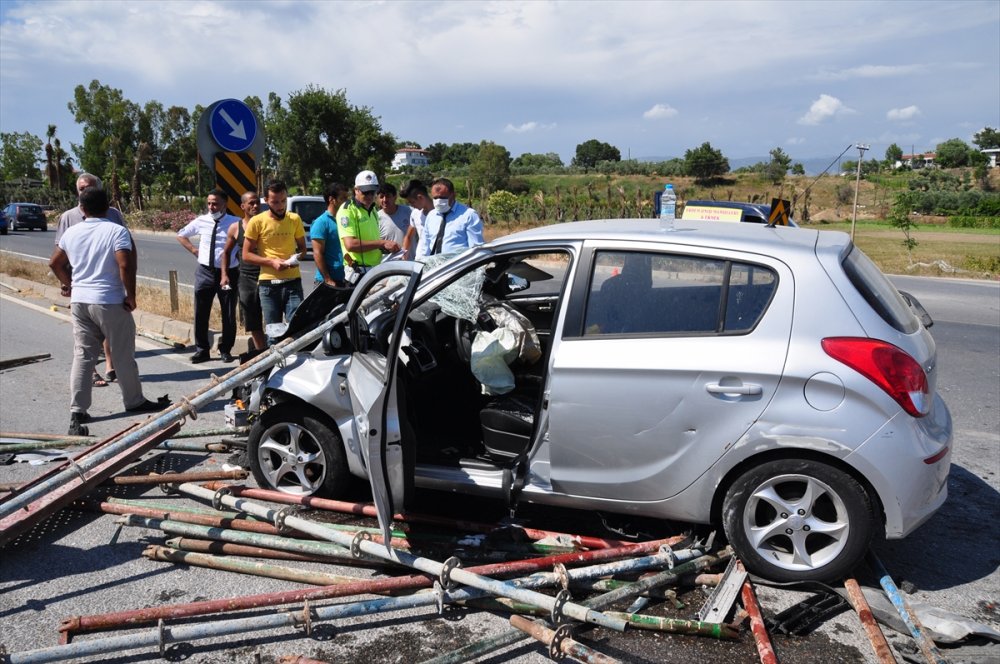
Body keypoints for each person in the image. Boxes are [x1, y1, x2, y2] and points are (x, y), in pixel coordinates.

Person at [49, 187, 167, 435]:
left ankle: (77, 411)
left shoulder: (71, 232)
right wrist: (131, 295)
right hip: (109, 300)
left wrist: (70, 285)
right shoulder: (116, 230)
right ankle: (134, 400)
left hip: (80, 302)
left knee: (83, 355)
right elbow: (125, 264)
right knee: (122, 352)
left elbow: (55, 262)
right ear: (109, 206)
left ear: (82, 208)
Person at [52, 173, 130, 387]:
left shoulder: (113, 216)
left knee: (106, 334)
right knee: (85, 341)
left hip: (108, 286)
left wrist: (126, 288)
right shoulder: (68, 218)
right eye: (81, 188)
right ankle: (96, 375)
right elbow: (60, 257)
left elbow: (125, 255)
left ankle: (109, 366)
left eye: (89, 187)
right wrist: (67, 283)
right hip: (81, 287)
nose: (85, 191)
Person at [176, 189, 240, 363]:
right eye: (209, 203)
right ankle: (202, 350)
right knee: (201, 312)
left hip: (228, 273)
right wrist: (194, 250)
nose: (211, 207)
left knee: (227, 312)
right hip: (205, 272)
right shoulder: (201, 221)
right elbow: (181, 235)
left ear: (225, 205)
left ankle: (225, 349)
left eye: (215, 203)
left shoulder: (236, 222)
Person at [242, 181, 307, 344]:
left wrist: (294, 259)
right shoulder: (256, 222)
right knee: (274, 334)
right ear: (266, 201)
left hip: (293, 283)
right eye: (275, 202)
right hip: (268, 286)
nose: (280, 206)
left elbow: (303, 250)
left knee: (296, 331)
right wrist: (271, 262)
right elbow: (246, 255)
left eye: (283, 201)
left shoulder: (294, 219)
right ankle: (274, 368)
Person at [220, 191, 266, 352]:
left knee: (272, 318)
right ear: (243, 206)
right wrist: (224, 275)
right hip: (247, 278)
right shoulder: (235, 228)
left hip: (268, 275)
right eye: (251, 203)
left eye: (257, 203)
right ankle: (263, 354)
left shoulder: (267, 223)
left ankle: (271, 350)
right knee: (252, 319)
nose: (255, 206)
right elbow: (225, 252)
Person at [338, 170, 399, 284]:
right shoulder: (347, 210)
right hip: (357, 272)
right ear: (356, 190)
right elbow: (350, 245)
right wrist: (381, 243)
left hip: (374, 270)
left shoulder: (373, 209)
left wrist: (386, 247)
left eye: (372, 192)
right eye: (366, 192)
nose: (370, 196)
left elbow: (372, 240)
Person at [418, 177, 485, 257]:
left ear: (453, 195)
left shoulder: (468, 215)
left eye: (443, 198)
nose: (438, 201)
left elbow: (476, 248)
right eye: (435, 198)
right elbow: (425, 246)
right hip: (435, 266)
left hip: (458, 266)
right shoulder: (431, 216)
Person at [311, 182, 349, 286]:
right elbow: (318, 253)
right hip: (327, 282)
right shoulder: (321, 222)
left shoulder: (346, 221)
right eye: (343, 198)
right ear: (332, 199)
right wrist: (328, 279)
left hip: (346, 279)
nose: (347, 202)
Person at [376, 182, 412, 259]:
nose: (385, 200)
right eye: (381, 197)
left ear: (395, 197)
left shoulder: (409, 212)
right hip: (389, 266)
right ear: (377, 199)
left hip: (411, 263)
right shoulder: (375, 218)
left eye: (388, 196)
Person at [400, 179, 433, 261]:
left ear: (420, 197)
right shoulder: (415, 214)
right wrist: (404, 256)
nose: (412, 206)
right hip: (419, 260)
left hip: (437, 261)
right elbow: (408, 236)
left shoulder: (441, 213)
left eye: (412, 202)